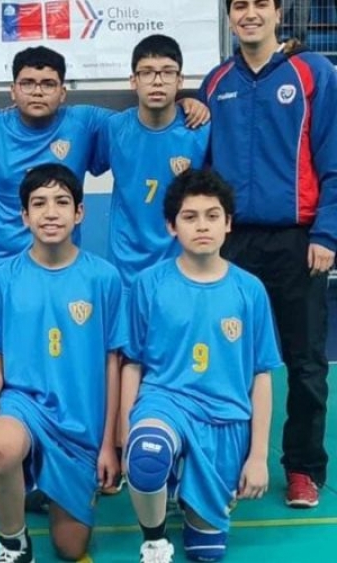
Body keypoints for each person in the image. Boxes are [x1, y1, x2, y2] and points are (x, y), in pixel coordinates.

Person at [0, 45, 210, 492]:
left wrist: (190, 101)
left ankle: (85, 443)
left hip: (63, 261)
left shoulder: (88, 122)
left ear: (63, 91)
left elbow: (148, 114)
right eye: (28, 83)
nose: (38, 91)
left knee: (70, 354)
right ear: (12, 89)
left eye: (48, 83)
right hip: (1, 259)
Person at [200, 0, 337, 508]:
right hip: (232, 244)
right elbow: (202, 167)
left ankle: (302, 468)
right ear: (230, 17)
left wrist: (327, 234)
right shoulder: (216, 83)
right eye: (240, 5)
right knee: (227, 359)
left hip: (298, 242)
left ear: (278, 13)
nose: (250, 13)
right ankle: (230, 462)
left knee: (306, 363)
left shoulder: (313, 72)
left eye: (261, 3)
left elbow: (334, 159)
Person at [121, 170, 282, 563]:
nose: (202, 225)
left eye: (212, 216)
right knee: (147, 454)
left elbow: (261, 375)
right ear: (171, 226)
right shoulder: (149, 284)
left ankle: (184, 484)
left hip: (225, 420)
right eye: (190, 217)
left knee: (206, 552)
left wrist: (258, 457)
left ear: (228, 223)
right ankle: (155, 542)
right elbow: (132, 363)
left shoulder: (250, 290)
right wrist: (126, 434)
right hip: (166, 402)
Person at [0, 164, 126, 563]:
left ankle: (42, 484)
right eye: (39, 204)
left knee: (71, 548)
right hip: (24, 405)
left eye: (61, 202)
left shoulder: (104, 278)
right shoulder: (2, 280)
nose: (51, 213)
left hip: (81, 423)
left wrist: (110, 444)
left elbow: (113, 362)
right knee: (0, 445)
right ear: (24, 216)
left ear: (80, 212)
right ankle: (13, 542)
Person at [94, 34, 211, 495]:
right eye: (147, 72)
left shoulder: (200, 128)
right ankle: (119, 451)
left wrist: (200, 105)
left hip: (181, 272)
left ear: (180, 80)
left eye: (166, 73)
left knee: (176, 361)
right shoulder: (113, 129)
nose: (157, 81)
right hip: (126, 272)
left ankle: (183, 453)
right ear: (133, 81)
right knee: (122, 361)